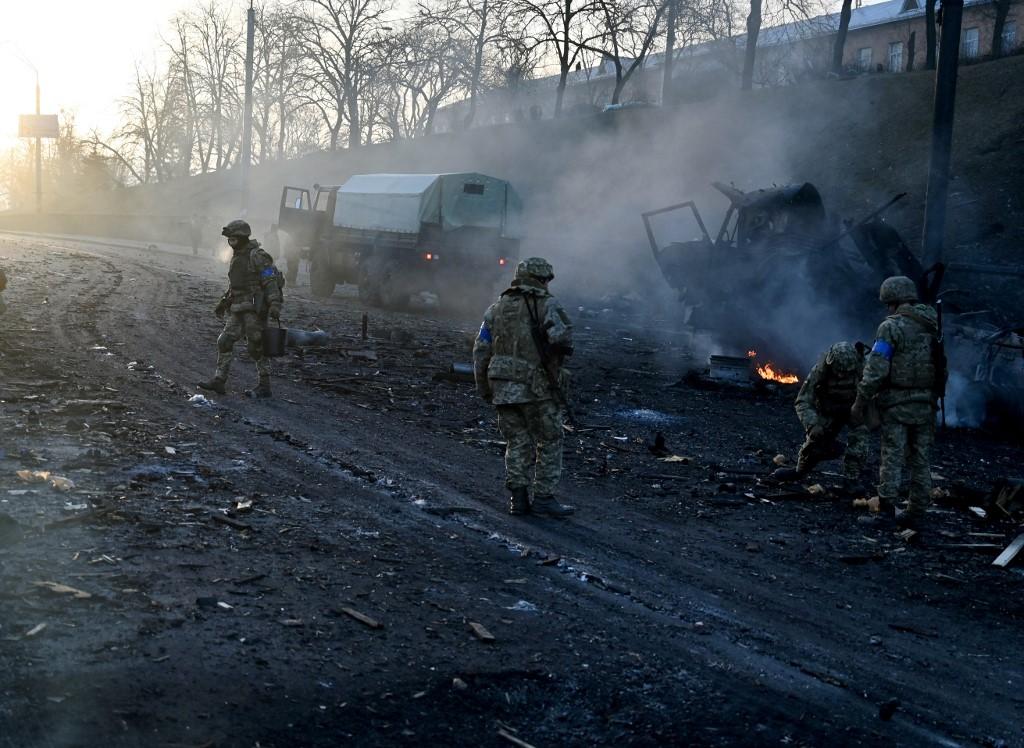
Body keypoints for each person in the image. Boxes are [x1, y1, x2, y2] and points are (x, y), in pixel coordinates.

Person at [473, 257, 575, 517]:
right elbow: (563, 339)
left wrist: (483, 386)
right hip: (535, 387)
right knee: (550, 438)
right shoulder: (547, 305)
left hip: (501, 386)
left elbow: (481, 349)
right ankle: (543, 498)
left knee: (516, 442)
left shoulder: (494, 309)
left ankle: (518, 500)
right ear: (541, 279)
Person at [852, 276, 941, 527]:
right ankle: (916, 512)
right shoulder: (932, 325)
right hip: (926, 404)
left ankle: (886, 510)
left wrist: (861, 399)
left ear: (891, 301)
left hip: (897, 404)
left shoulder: (890, 327)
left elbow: (877, 369)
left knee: (892, 455)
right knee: (920, 459)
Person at [199, 220, 284, 398]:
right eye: (229, 239)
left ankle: (264, 385)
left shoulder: (257, 256)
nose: (231, 242)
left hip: (255, 309)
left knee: (257, 346)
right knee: (225, 341)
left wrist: (275, 304)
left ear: (243, 237)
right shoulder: (238, 257)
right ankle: (219, 380)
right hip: (238, 307)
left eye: (234, 238)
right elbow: (236, 285)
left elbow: (270, 281)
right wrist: (224, 302)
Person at [774, 341, 870, 491]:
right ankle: (800, 471)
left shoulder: (862, 366)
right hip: (828, 410)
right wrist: (812, 424)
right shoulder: (820, 371)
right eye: (838, 370)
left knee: (860, 437)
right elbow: (802, 401)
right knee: (815, 443)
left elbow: (874, 387)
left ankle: (852, 479)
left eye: (845, 372)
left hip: (853, 408)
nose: (841, 375)